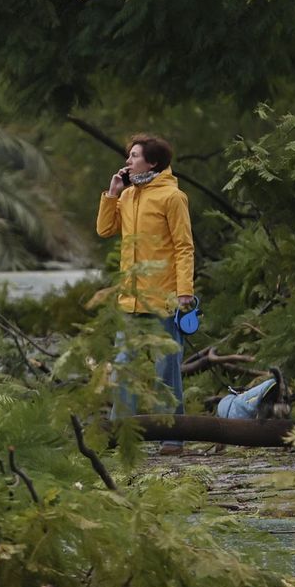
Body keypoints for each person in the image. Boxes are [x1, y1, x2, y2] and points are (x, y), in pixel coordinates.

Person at [95, 134, 196, 455]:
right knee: (124, 364)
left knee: (166, 366)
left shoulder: (172, 196)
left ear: (152, 162)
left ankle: (172, 436)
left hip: (165, 298)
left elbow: (184, 246)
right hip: (131, 299)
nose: (128, 161)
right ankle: (121, 434)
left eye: (134, 156)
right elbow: (105, 230)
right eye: (129, 157)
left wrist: (185, 292)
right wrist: (112, 194)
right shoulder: (128, 196)